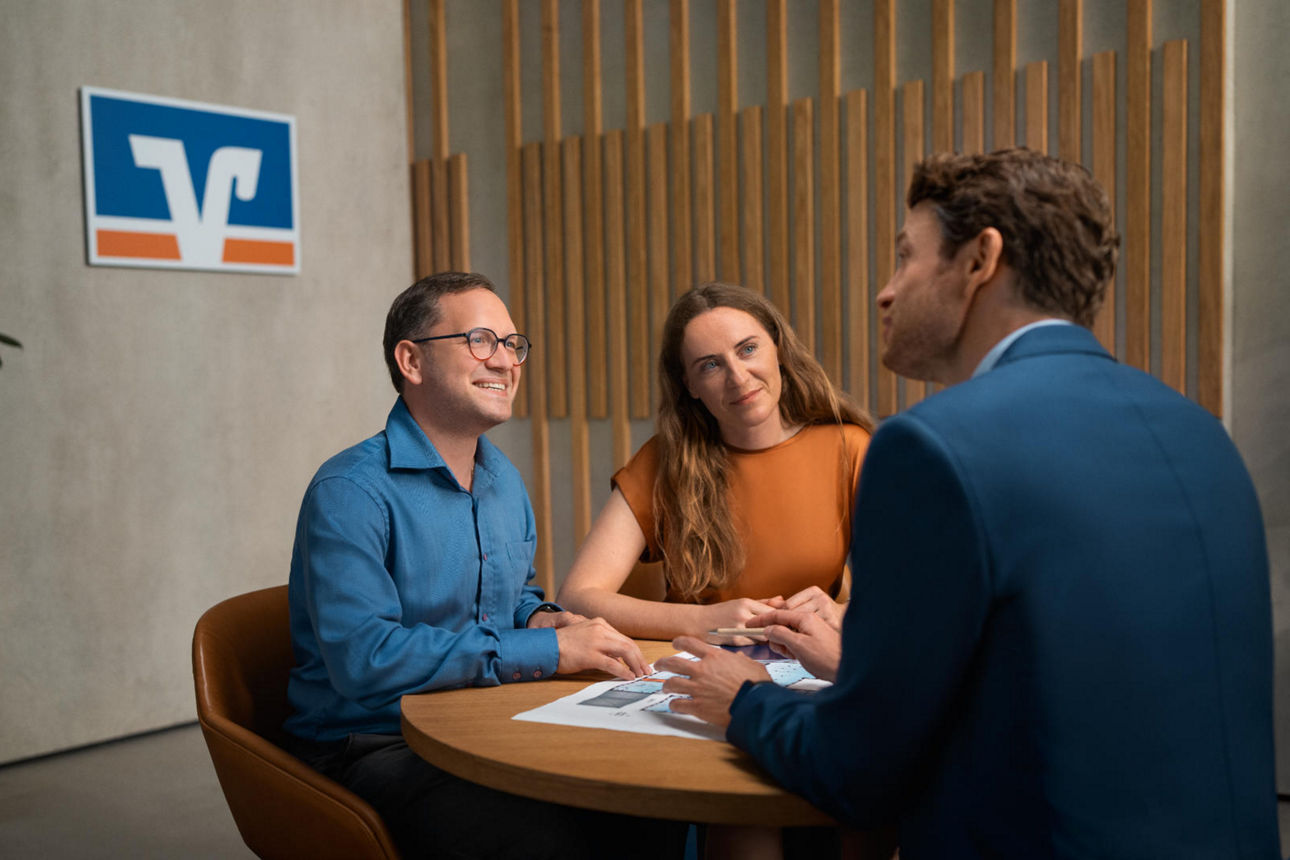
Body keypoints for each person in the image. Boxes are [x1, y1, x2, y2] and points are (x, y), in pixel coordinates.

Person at [657, 149, 1279, 858]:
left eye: (905, 257)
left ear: (981, 260)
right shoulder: (1203, 434)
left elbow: (858, 772)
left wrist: (744, 698)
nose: (886, 292)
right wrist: (866, 659)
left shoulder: (929, 448)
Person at [283, 271, 682, 859]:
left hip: (483, 720)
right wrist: (548, 653)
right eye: (481, 340)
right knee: (543, 842)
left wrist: (544, 619)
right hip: (373, 743)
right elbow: (365, 660)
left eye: (513, 345)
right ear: (411, 361)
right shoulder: (349, 491)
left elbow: (513, 595)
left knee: (648, 806)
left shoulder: (503, 481)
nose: (506, 362)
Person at [557, 283, 874, 643]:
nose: (738, 378)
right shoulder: (664, 460)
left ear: (779, 350)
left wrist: (837, 612)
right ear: (689, 384)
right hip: (692, 667)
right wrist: (703, 620)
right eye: (710, 365)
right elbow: (577, 598)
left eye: (748, 350)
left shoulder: (851, 448)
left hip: (812, 674)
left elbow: (912, 592)